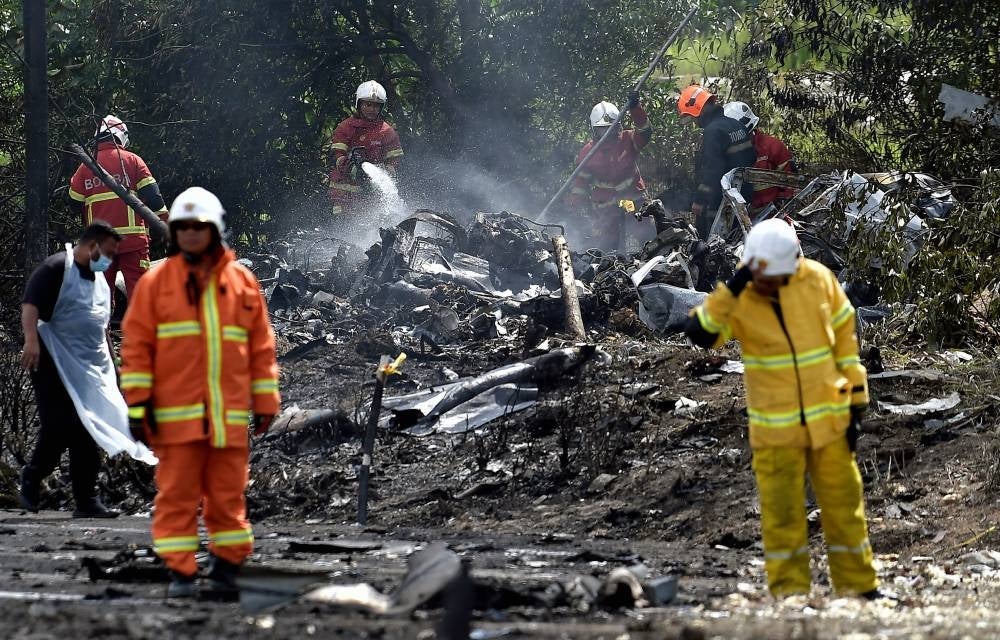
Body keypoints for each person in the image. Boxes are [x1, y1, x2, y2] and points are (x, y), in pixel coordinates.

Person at [684, 218, 880, 599]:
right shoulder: (740, 299)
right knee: (782, 516)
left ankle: (860, 588)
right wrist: (732, 290)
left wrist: (857, 406)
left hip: (830, 421)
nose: (767, 283)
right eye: (761, 275)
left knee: (844, 507)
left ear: (793, 262)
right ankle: (790, 595)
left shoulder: (819, 282)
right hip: (775, 433)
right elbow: (702, 334)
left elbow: (846, 347)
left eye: (774, 275)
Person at [121, 186, 280, 598]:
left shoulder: (241, 282)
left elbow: (261, 347)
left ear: (215, 229)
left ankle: (226, 570)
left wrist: (266, 401)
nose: (191, 233)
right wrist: (137, 406)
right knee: (177, 497)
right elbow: (137, 348)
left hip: (227, 419)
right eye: (183, 227)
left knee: (228, 498)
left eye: (199, 226)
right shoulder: (157, 284)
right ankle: (181, 573)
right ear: (173, 233)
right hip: (176, 421)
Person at [20, 221, 156, 518]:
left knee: (88, 429)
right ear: (92, 246)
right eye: (108, 252)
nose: (109, 260)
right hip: (51, 361)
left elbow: (102, 329)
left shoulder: (99, 282)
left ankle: (86, 501)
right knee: (58, 427)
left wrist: (113, 370)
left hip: (88, 367)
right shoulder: (56, 268)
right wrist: (30, 340)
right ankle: (31, 477)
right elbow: (30, 305)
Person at [69, 115, 169, 300]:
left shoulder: (84, 168)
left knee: (100, 297)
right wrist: (166, 223)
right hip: (133, 242)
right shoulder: (133, 160)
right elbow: (154, 198)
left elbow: (74, 204)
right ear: (121, 136)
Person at [566, 92, 656, 251]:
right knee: (608, 245)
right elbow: (580, 183)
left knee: (647, 236)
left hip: (632, 200)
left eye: (610, 127)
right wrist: (574, 205)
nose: (606, 133)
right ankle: (612, 271)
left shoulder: (628, 139)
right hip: (606, 206)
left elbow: (645, 131)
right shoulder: (588, 152)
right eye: (602, 129)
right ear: (594, 129)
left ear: (618, 125)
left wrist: (636, 108)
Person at [677, 85, 757, 240]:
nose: (694, 121)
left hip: (719, 203)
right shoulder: (737, 125)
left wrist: (699, 200)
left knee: (708, 247)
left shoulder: (712, 131)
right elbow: (752, 157)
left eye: (692, 117)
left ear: (698, 109)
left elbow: (712, 170)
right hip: (742, 199)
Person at [327, 80, 404, 216]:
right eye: (368, 104)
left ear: (382, 107)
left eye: (376, 106)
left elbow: (394, 161)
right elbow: (336, 155)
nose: (372, 109)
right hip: (343, 198)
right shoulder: (346, 127)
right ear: (359, 104)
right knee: (342, 232)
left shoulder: (386, 131)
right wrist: (352, 167)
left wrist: (384, 172)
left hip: (371, 196)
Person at [723, 101, 796, 210]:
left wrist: (782, 210)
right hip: (742, 215)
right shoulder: (727, 152)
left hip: (773, 213)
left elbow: (790, 183)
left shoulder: (773, 146)